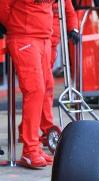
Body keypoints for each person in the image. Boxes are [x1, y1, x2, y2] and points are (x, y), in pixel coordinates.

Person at [0, 0, 55, 168]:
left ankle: (35, 147)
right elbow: (3, 7)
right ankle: (30, 150)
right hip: (24, 39)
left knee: (45, 89)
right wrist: (16, 26)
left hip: (44, 38)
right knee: (35, 90)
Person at [42, 0, 79, 139]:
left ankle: (27, 130)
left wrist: (73, 29)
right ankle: (45, 129)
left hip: (51, 45)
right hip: (39, 41)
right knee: (45, 86)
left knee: (44, 87)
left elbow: (69, 12)